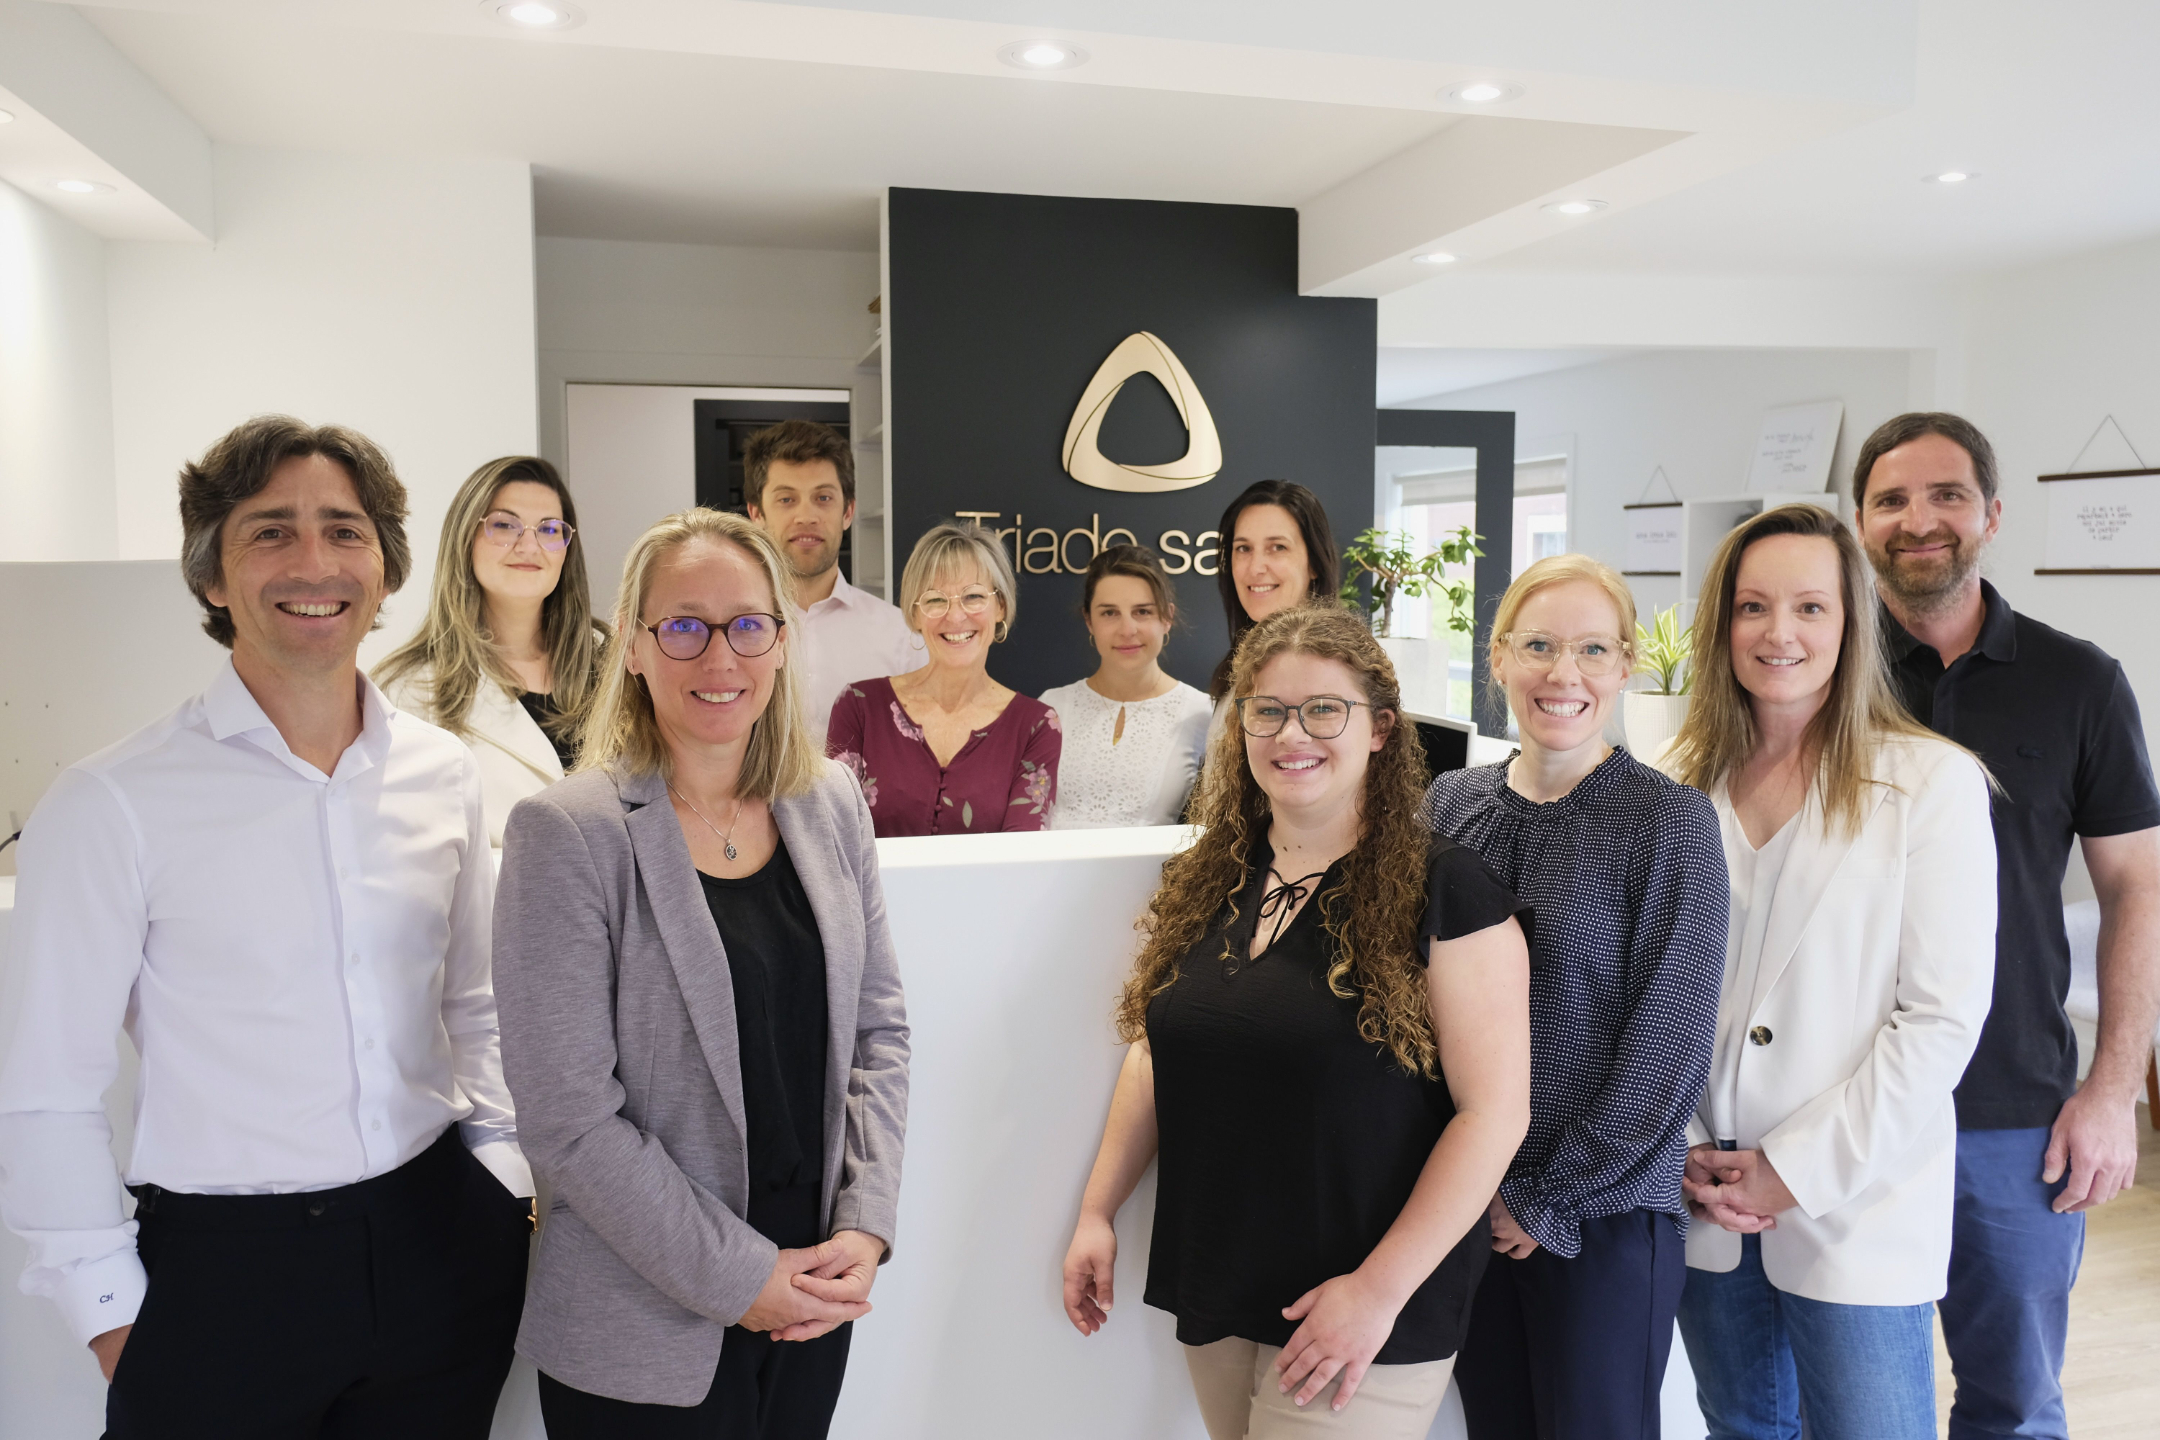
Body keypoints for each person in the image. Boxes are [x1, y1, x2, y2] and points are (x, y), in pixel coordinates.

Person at [0, 416, 533, 1437]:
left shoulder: (443, 773)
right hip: (223, 1277)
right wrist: (112, 1318)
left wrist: (502, 1178)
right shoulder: (112, 801)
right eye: (270, 531)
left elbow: (473, 1001)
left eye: (345, 531)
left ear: (386, 570)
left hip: (440, 1245)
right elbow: (46, 1090)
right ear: (212, 574)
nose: (314, 563)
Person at [1063, 604, 1532, 1440]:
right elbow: (1155, 1051)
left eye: (1323, 710)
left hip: (1364, 1307)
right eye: (1268, 711)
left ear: (1380, 729)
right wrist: (1099, 1209)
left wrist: (1376, 1293)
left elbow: (1494, 1115)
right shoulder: (1210, 875)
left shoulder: (1449, 890)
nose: (1291, 734)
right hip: (1221, 1278)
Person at [492, 506, 910, 1437]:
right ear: (634, 646)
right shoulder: (568, 833)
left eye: (748, 624)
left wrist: (865, 1221)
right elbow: (567, 1120)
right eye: (684, 625)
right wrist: (741, 1277)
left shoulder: (831, 801)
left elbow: (878, 1030)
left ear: (782, 639)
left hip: (814, 1294)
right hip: (643, 1330)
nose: (720, 657)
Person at [1657, 503, 1998, 1440]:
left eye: (1810, 607)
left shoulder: (1930, 784)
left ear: (1853, 623)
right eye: (1754, 607)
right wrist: (1681, 1144)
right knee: (1740, 1426)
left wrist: (1794, 1170)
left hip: (1856, 1203)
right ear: (1721, 624)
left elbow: (1941, 1018)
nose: (1780, 633)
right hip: (1706, 1197)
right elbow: (1643, 993)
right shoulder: (1675, 780)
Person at [1849, 413, 2160, 1439]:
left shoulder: (2080, 681)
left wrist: (2112, 1092)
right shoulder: (1820, 671)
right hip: (1841, 1104)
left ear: (1991, 514)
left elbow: (2138, 890)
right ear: (1861, 523)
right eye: (1892, 500)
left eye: (1946, 495)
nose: (1919, 520)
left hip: (2013, 1113)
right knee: (1843, 1405)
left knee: (2015, 1407)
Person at [1419, 554, 1727, 1440]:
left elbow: (1669, 1045)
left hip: (1603, 1216)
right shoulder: (1449, 803)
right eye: (1540, 646)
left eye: (1594, 649)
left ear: (1626, 665)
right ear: (1498, 658)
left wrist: (1544, 1197)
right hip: (1465, 1204)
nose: (1565, 673)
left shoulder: (1669, 821)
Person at [374, 455, 607, 844]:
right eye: (504, 525)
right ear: (465, 538)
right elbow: (397, 846)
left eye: (550, 529)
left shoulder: (617, 664)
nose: (529, 545)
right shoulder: (405, 691)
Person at [826, 522, 1061, 837]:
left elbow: (1023, 854)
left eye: (973, 596)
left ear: (1001, 607)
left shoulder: (1037, 726)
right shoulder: (859, 707)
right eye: (935, 600)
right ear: (915, 614)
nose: (955, 616)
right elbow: (836, 838)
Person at [742, 418, 923, 745]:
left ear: (848, 512)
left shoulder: (902, 638)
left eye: (823, 498)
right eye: (786, 499)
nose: (806, 517)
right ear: (756, 515)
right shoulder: (729, 635)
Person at [1040, 543, 1211, 828]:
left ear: (1167, 617)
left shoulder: (1202, 713)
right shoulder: (1052, 706)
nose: (1127, 630)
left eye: (1142, 611)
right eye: (1110, 613)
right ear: (1089, 620)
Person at [1208, 479, 1342, 704]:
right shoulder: (1239, 666)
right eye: (1243, 548)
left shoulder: (1337, 672)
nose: (1256, 567)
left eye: (1278, 547)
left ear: (1314, 563)